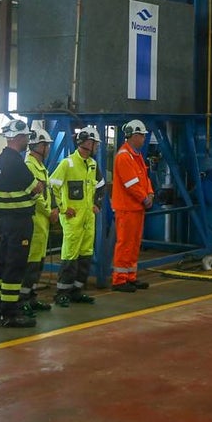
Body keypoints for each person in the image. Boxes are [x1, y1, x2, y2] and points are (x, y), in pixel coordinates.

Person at [0, 118, 43, 328]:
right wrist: (38, 186)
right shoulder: (16, 163)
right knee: (15, 266)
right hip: (20, 222)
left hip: (5, 221)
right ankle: (10, 313)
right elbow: (36, 188)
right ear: (19, 137)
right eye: (27, 137)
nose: (28, 141)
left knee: (3, 265)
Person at [50, 125, 105, 306]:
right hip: (73, 220)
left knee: (85, 255)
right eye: (95, 143)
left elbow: (101, 186)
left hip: (88, 219)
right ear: (88, 143)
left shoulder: (92, 164)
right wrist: (63, 208)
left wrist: (97, 204)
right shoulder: (67, 164)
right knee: (70, 256)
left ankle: (76, 290)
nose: (97, 146)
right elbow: (52, 186)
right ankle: (62, 293)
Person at [110, 119, 154, 292]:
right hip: (127, 208)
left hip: (136, 208)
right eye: (142, 136)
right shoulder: (124, 156)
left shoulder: (136, 156)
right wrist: (145, 198)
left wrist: (150, 193)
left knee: (134, 243)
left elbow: (144, 178)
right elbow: (131, 184)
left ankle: (130, 276)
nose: (144, 139)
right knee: (125, 243)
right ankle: (119, 280)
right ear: (134, 136)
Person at [20, 127, 58, 315]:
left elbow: (48, 192)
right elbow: (36, 195)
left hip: (42, 223)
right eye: (46, 145)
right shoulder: (29, 166)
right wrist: (49, 211)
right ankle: (23, 300)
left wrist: (55, 207)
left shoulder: (41, 167)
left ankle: (32, 297)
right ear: (38, 146)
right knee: (31, 263)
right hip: (35, 221)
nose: (48, 149)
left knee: (38, 262)